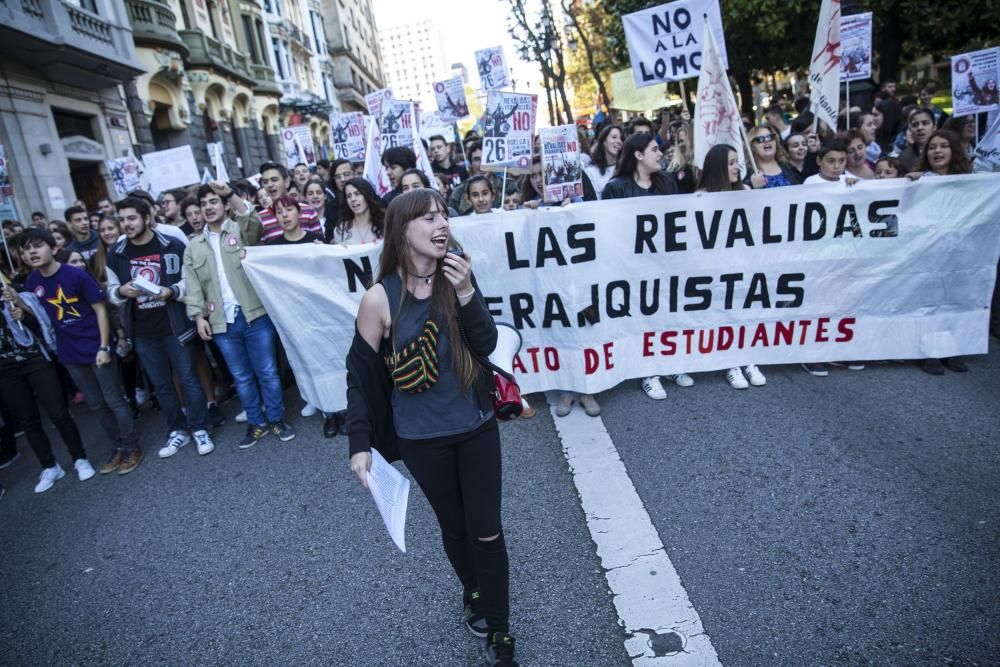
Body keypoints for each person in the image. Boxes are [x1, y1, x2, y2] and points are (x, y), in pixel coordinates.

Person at [347, 188, 519, 666]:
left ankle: (501, 632)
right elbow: (359, 377)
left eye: (443, 215)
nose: (441, 224)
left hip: (476, 424)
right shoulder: (379, 299)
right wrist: (358, 444)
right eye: (428, 218)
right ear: (403, 231)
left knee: (487, 529)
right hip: (421, 438)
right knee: (455, 528)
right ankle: (473, 591)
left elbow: (486, 343)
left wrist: (466, 292)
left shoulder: (457, 275)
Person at [17, 229, 140, 475]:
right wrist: (21, 307)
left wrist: (105, 346)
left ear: (53, 249)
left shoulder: (75, 274)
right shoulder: (31, 282)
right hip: (69, 353)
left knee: (114, 400)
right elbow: (41, 319)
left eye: (37, 246)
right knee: (96, 405)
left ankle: (131, 446)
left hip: (96, 347)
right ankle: (117, 446)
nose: (32, 252)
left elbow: (101, 310)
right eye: (27, 249)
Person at [183, 182, 296, 448]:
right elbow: (193, 287)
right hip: (222, 323)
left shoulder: (240, 229)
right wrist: (199, 317)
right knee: (241, 377)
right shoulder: (194, 247)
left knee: (267, 372)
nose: (208, 208)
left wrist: (229, 194)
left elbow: (253, 222)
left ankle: (277, 419)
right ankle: (256, 424)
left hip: (254, 315)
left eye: (213, 202)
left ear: (223, 205)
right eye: (203, 204)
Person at [106, 196, 216, 459]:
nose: (126, 224)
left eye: (132, 218)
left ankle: (201, 428)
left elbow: (190, 281)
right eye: (122, 220)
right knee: (161, 385)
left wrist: (171, 291)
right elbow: (110, 292)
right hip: (142, 332)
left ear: (146, 218)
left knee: (188, 379)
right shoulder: (116, 253)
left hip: (174, 325)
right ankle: (177, 429)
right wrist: (121, 291)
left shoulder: (172, 244)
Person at [602, 132, 680, 399]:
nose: (660, 154)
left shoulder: (667, 183)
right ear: (638, 155)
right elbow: (609, 230)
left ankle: (670, 363)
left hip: (665, 263)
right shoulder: (615, 188)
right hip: (632, 266)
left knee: (666, 314)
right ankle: (649, 371)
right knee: (641, 317)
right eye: (655, 149)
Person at [0, 283, 96, 493]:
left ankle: (80, 458)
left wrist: (22, 310)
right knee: (28, 421)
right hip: (5, 371)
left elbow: (42, 326)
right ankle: (50, 467)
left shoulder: (13, 294)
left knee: (59, 413)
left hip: (36, 360)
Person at [694, 145, 766, 389]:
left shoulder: (745, 190)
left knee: (745, 313)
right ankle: (730, 363)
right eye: (732, 163)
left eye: (738, 162)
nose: (737, 168)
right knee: (723, 314)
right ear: (718, 168)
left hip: (745, 263)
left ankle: (748, 359)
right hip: (715, 267)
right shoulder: (701, 196)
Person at [257, 162, 323, 243]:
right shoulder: (260, 218)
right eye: (265, 182)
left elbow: (321, 245)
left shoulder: (308, 211)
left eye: (274, 180)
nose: (269, 185)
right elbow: (261, 251)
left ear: (286, 182)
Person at [332, 178, 385, 246]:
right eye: (349, 196)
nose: (353, 199)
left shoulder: (384, 226)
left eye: (357, 194)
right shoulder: (341, 230)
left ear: (367, 195)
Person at [584, 125, 624, 199]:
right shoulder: (590, 172)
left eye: (621, 139)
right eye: (614, 137)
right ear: (604, 142)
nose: (619, 141)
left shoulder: (626, 168)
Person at [895, 108, 935, 173]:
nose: (920, 128)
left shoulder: (945, 151)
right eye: (915, 125)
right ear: (910, 130)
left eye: (925, 123)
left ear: (934, 126)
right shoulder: (904, 158)